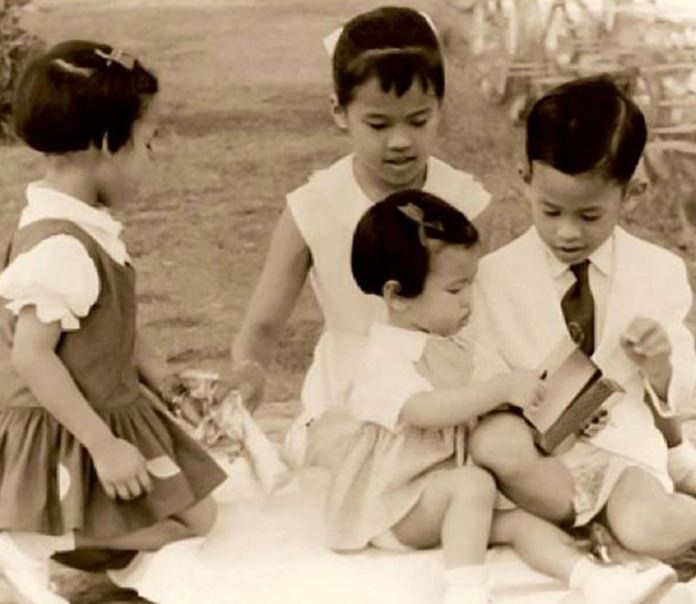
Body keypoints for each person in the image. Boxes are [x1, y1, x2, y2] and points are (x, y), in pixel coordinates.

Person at [325, 189, 673, 604]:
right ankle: (466, 591)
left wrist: (568, 412)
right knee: (473, 484)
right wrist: (497, 390)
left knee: (519, 522)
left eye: (471, 284)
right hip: (395, 505)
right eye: (455, 291)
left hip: (454, 499)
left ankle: (597, 581)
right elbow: (422, 411)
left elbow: (509, 403)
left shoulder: (459, 346)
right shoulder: (384, 356)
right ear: (396, 295)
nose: (469, 300)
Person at [0, 40, 227, 604]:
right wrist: (103, 445)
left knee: (200, 512)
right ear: (107, 144)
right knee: (184, 525)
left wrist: (166, 382)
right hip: (70, 429)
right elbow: (32, 356)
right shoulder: (61, 246)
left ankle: (71, 543)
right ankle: (40, 536)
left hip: (111, 402)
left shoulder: (85, 226)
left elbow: (112, 321)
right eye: (148, 144)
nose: (154, 158)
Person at [228, 6, 492, 467]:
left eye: (418, 120)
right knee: (350, 460)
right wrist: (248, 376)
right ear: (340, 112)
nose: (400, 141)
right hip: (346, 398)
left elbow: (485, 321)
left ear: (440, 111)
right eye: (379, 123)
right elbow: (262, 328)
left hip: (441, 392)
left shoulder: (466, 204)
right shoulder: (313, 207)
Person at [467, 75, 696, 559]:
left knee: (648, 526)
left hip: (621, 453)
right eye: (551, 211)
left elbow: (684, 395)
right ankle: (574, 527)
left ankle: (621, 525)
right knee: (493, 445)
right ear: (524, 178)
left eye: (590, 216)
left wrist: (661, 365)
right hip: (536, 463)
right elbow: (478, 374)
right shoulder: (491, 277)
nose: (567, 232)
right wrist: (530, 411)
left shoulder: (659, 271)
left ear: (633, 193)